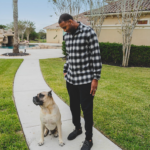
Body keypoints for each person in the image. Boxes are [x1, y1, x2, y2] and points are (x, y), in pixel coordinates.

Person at [58, 13, 102, 150]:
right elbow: (69, 56)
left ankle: (89, 138)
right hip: (71, 79)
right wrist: (65, 70)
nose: (64, 30)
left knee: (87, 110)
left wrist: (95, 79)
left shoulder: (89, 32)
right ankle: (77, 129)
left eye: (65, 27)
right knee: (73, 106)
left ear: (71, 21)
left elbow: (96, 57)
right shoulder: (67, 36)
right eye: (62, 29)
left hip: (85, 80)